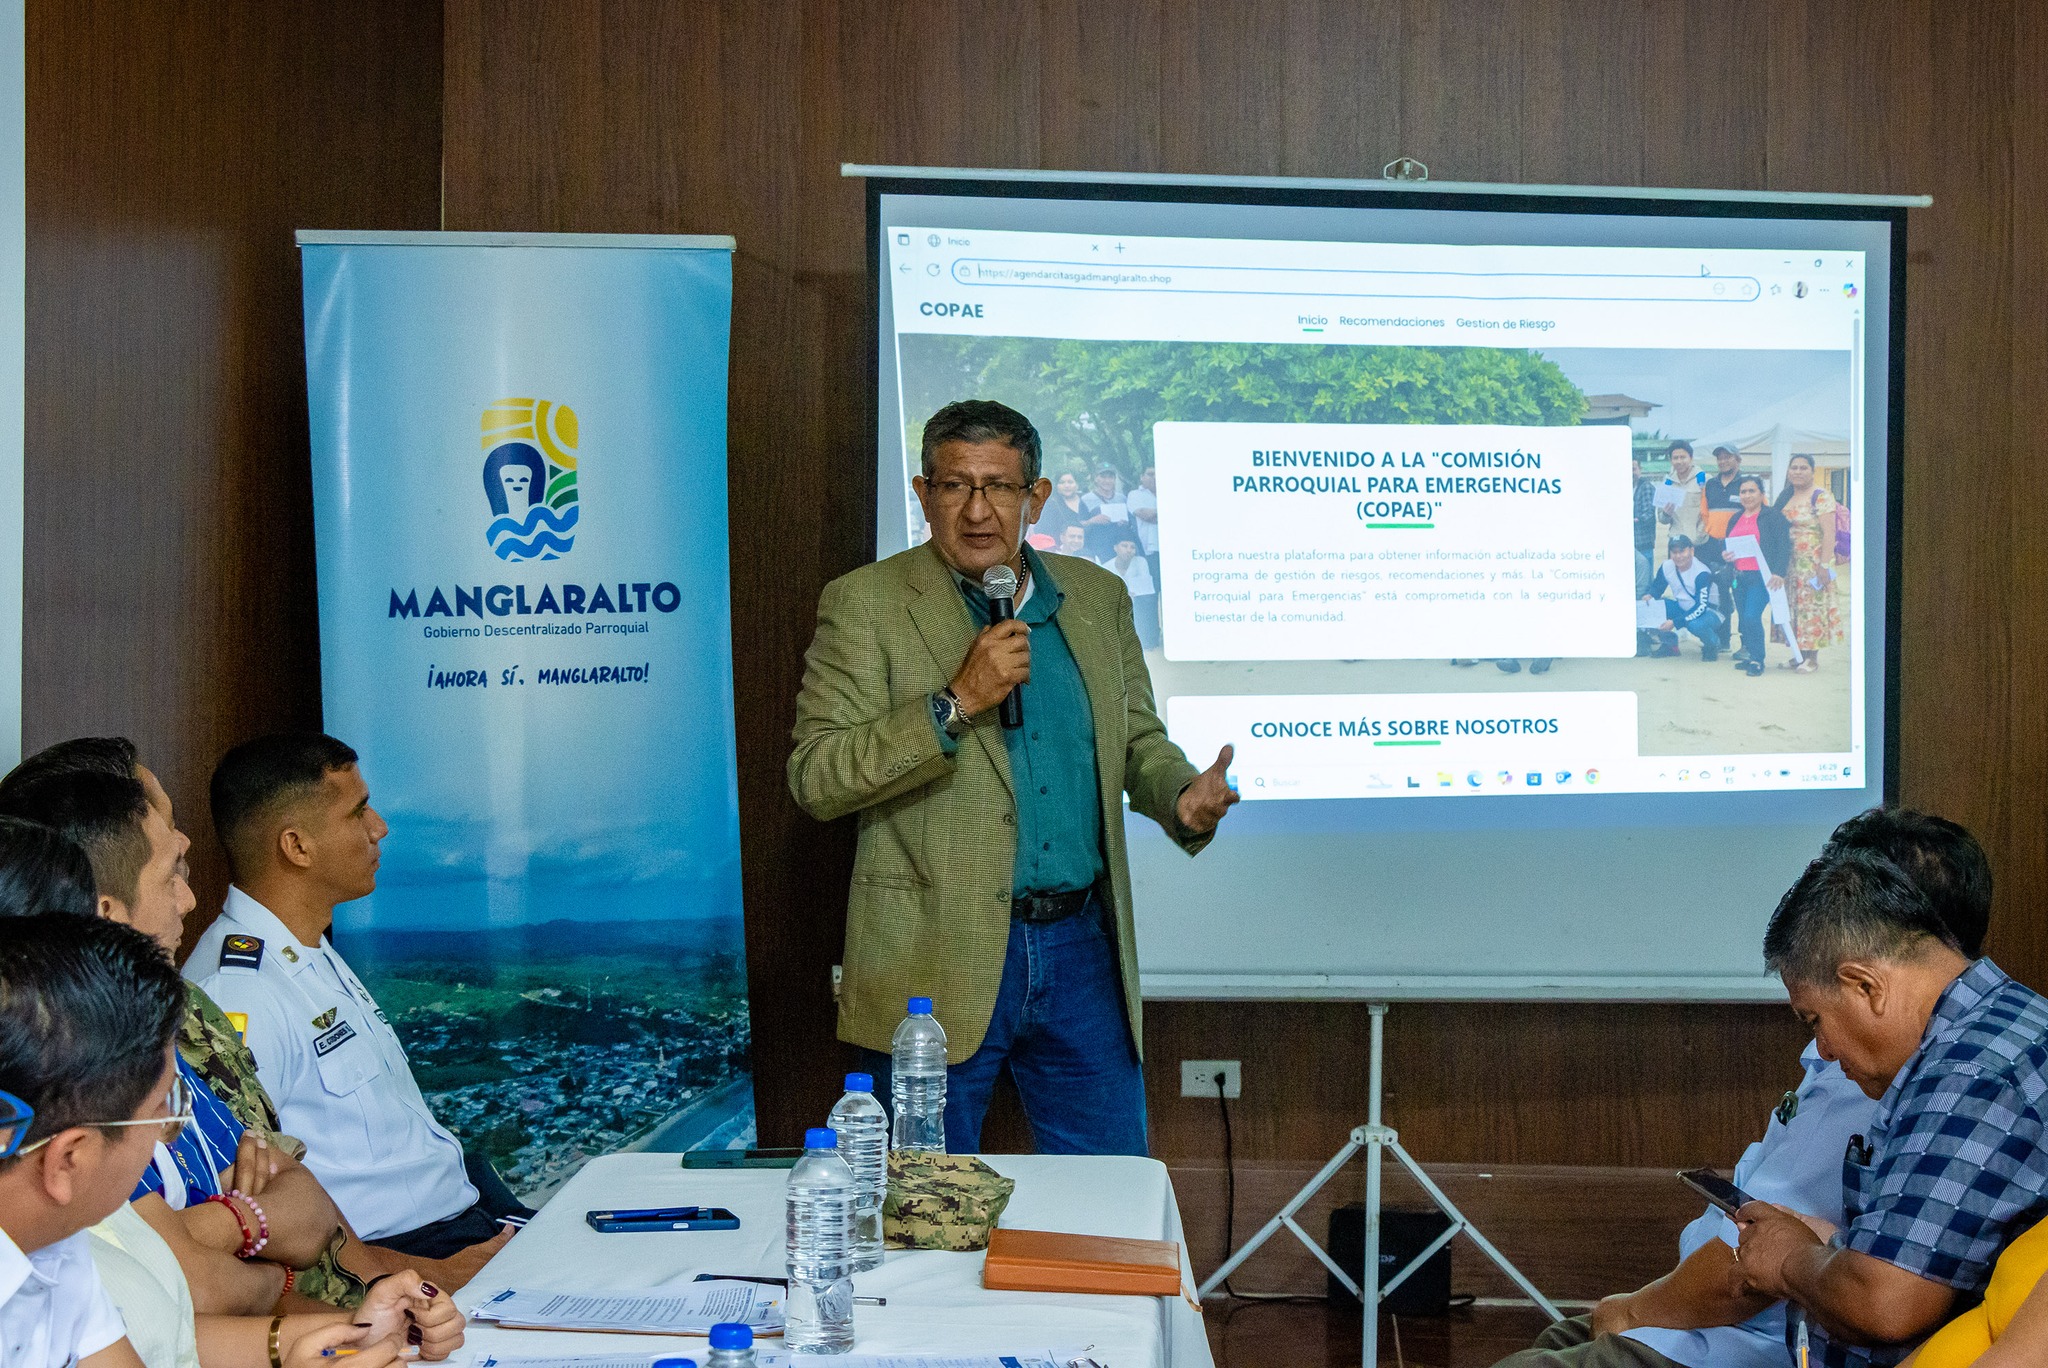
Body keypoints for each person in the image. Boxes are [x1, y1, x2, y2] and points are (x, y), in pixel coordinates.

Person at [789, 399, 1237, 1155]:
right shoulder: (866, 604)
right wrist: (956, 701)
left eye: (998, 486)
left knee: (1109, 1193)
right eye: (954, 486)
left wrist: (1179, 795)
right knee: (923, 1202)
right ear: (923, 493)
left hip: (1080, 949)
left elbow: (1135, 738)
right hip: (933, 956)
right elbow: (817, 775)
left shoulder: (1097, 597)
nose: (976, 511)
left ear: (1037, 496)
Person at [1493, 809, 1993, 1368]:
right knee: (1553, 1342)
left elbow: (1760, 1271)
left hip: (1736, 1339)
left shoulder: (1896, 1075)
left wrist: (1636, 1310)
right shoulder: (1894, 1048)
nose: (1824, 1048)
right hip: (1703, 1319)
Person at [0, 738, 378, 1308]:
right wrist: (260, 1248)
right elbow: (182, 1283)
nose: (190, 898)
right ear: (104, 914)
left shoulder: (169, 1021)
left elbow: (306, 1207)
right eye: (169, 872)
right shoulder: (84, 1073)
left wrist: (225, 1235)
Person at [187, 734, 532, 1265]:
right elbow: (250, 1216)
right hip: (413, 1257)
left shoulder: (310, 951)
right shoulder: (237, 991)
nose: (379, 827)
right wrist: (435, 1275)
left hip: (462, 1220)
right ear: (297, 847)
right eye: (358, 811)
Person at [1734, 850, 2048, 1368]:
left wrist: (1788, 1260)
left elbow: (1887, 1303)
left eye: (1814, 1020)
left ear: (1866, 985)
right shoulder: (2003, 1021)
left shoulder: (1970, 1073)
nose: (1823, 1051)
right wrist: (1832, 1247)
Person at [1772, 454, 1844, 674]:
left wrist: (1824, 565)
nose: (1798, 472)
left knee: (1812, 609)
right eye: (1794, 467)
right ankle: (1798, 655)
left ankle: (1812, 658)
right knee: (1794, 608)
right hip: (1789, 564)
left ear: (1812, 471)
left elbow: (1829, 533)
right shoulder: (1786, 496)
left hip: (1813, 564)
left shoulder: (1820, 496)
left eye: (1803, 468)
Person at [1725, 474, 1790, 678]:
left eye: (1751, 491)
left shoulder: (1773, 517)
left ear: (1762, 494)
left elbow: (1784, 546)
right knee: (1744, 619)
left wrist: (1779, 572)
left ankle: (1757, 660)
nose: (1747, 495)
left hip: (1761, 577)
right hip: (1739, 576)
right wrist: (1726, 555)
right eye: (1743, 491)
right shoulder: (1735, 518)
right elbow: (1727, 545)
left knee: (1752, 616)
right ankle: (1751, 655)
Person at [1642, 536, 1725, 661]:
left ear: (1691, 551)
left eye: (1682, 551)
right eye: (1674, 552)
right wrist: (1650, 596)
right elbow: (1657, 588)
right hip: (1682, 606)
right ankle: (1670, 645)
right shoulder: (1666, 566)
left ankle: (1712, 643)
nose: (1678, 556)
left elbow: (1701, 607)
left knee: (1695, 625)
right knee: (1654, 606)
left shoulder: (1702, 573)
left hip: (1709, 612)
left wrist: (1675, 622)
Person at [1700, 445, 1745, 617]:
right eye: (1720, 458)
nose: (1723, 461)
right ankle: (1723, 632)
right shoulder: (1711, 484)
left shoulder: (1747, 484)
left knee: (1741, 592)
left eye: (1727, 457)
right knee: (1719, 595)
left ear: (1738, 459)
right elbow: (1704, 513)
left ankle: (1745, 634)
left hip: (1739, 546)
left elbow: (1759, 512)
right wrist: (1712, 530)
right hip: (1714, 545)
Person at [1098, 531, 1160, 650]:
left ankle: (1146, 640)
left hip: (1138, 602)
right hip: (1115, 603)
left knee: (1147, 601)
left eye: (1132, 547)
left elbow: (1145, 588)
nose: (1129, 550)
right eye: (1124, 546)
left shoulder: (1141, 562)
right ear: (1115, 548)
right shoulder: (1106, 567)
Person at [1658, 442, 1709, 548]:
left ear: (1691, 458)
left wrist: (1699, 535)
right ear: (1671, 460)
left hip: (1700, 543)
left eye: (1683, 457)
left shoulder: (1705, 479)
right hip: (1676, 543)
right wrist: (1666, 514)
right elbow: (1662, 519)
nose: (1679, 461)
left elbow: (1711, 511)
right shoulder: (1667, 484)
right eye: (1675, 458)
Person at [1079, 463, 1134, 560]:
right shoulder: (1086, 499)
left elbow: (1130, 523)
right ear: (1096, 478)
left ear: (1114, 479)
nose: (1107, 481)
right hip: (1097, 546)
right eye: (1103, 477)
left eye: (1110, 477)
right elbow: (1080, 525)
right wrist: (1092, 520)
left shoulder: (1122, 498)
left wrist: (1124, 523)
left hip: (1119, 549)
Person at [1029, 470, 1088, 547]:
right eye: (1062, 482)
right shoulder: (1051, 505)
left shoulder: (1085, 502)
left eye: (1070, 482)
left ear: (1077, 484)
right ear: (1056, 486)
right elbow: (1042, 530)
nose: (1066, 486)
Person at [1127, 463, 1162, 592]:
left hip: (1171, 548)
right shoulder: (1135, 494)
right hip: (1148, 550)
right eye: (1150, 474)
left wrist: (1155, 513)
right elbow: (1145, 514)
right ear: (1142, 477)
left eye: (1157, 474)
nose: (1155, 477)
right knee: (1154, 589)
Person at [1633, 456, 1657, 566]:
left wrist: (1633, 520)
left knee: (1645, 575)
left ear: (1640, 469)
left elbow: (1648, 515)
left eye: (1633, 469)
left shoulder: (1646, 487)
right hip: (1627, 543)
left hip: (1643, 543)